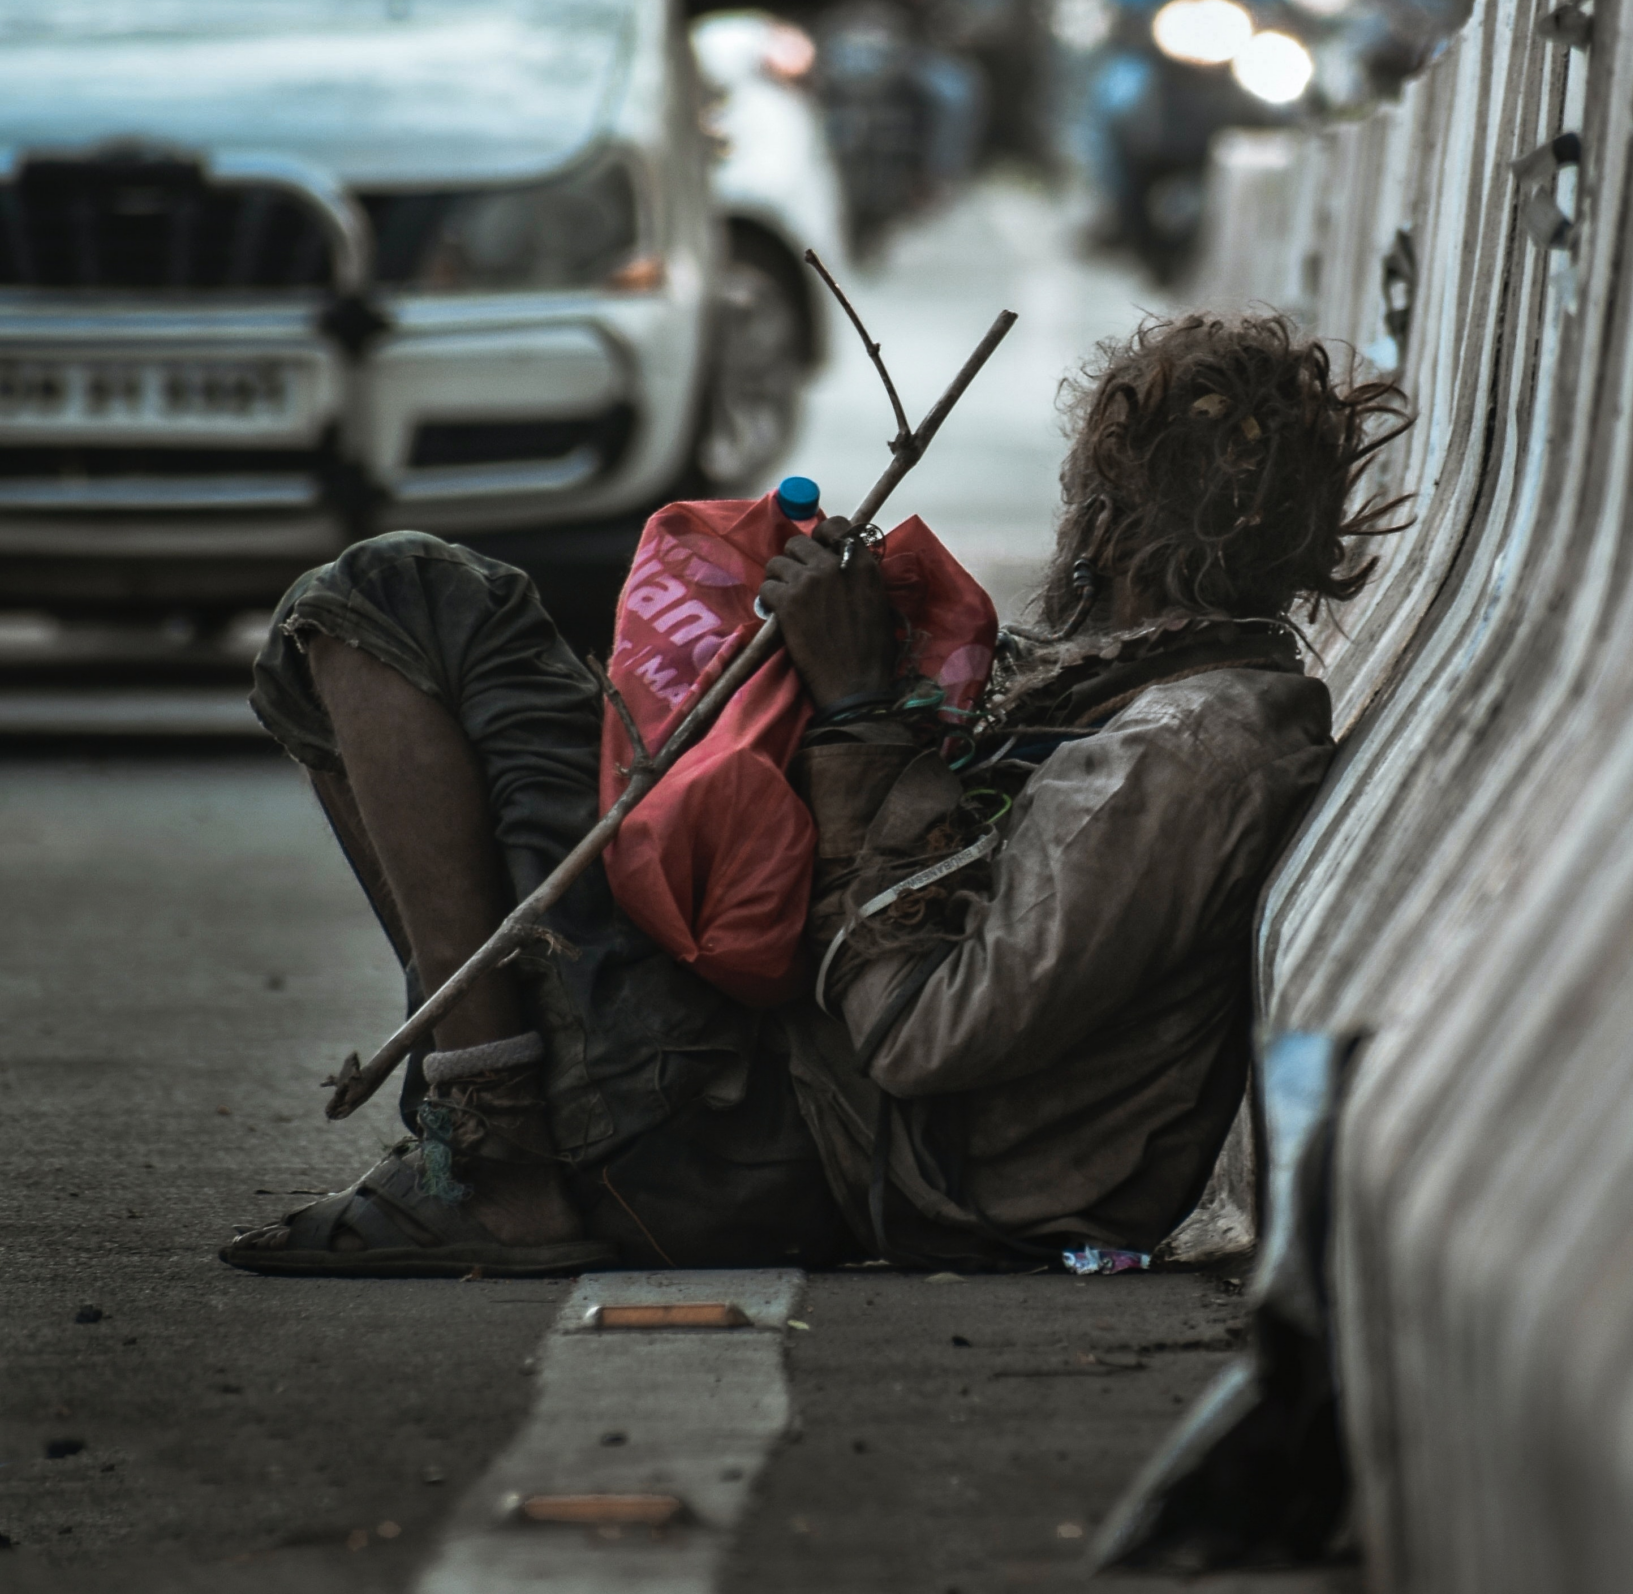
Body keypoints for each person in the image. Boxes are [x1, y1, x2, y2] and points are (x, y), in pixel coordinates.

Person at [222, 312, 1406, 1277]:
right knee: (363, 641)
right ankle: (485, 1128)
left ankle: (499, 1165)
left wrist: (851, 714)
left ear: (1103, 518)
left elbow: (918, 1030)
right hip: (786, 1098)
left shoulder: (1191, 745)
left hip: (784, 1139)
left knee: (389, 598)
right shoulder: (1159, 691)